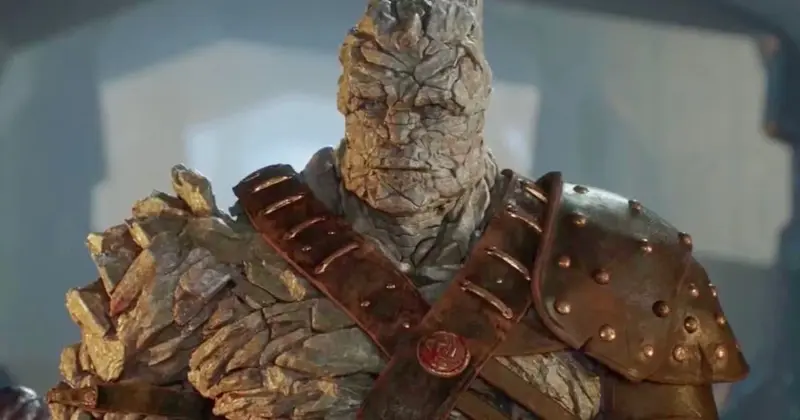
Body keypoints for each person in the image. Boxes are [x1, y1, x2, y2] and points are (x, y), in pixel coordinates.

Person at [47, 0, 748, 419]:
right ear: (346, 104)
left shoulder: (621, 268)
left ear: (477, 109)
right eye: (376, 102)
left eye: (435, 106)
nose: (403, 132)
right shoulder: (197, 271)